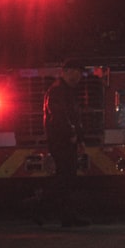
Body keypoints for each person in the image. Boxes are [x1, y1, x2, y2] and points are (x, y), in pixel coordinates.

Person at [42, 59, 91, 227]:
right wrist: (71, 134)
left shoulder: (67, 91)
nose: (78, 76)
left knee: (66, 178)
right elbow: (59, 116)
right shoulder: (57, 91)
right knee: (64, 178)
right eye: (75, 71)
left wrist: (80, 139)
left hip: (66, 140)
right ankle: (55, 214)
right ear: (65, 71)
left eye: (80, 72)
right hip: (60, 140)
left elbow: (75, 117)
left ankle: (59, 215)